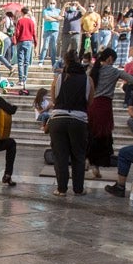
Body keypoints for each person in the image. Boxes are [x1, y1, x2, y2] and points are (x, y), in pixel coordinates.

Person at [87, 47, 133, 179]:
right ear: (110, 59)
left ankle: (87, 159)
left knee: (90, 133)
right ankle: (95, 164)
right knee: (102, 136)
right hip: (105, 106)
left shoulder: (92, 71)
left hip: (92, 105)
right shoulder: (114, 71)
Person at [45, 49, 91, 196]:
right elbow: (90, 101)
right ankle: (78, 189)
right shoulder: (87, 80)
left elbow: (53, 100)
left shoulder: (58, 79)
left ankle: (61, 189)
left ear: (65, 61)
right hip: (79, 120)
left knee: (60, 156)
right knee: (78, 155)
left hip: (58, 119)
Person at [13, 5, 38, 87]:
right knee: (26, 62)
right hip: (29, 41)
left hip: (21, 41)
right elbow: (34, 33)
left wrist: (16, 40)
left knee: (20, 61)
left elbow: (17, 32)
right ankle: (25, 79)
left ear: (22, 12)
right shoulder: (31, 21)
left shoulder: (20, 21)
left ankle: (21, 80)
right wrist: (35, 44)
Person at [39, 0, 62, 64]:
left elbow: (61, 18)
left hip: (55, 31)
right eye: (51, 3)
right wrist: (56, 19)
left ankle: (53, 62)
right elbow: (46, 18)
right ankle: (41, 61)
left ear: (56, 4)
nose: (52, 4)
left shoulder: (58, 11)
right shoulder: (45, 10)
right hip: (47, 30)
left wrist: (52, 17)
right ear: (49, 3)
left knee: (53, 47)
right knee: (45, 47)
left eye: (53, 3)